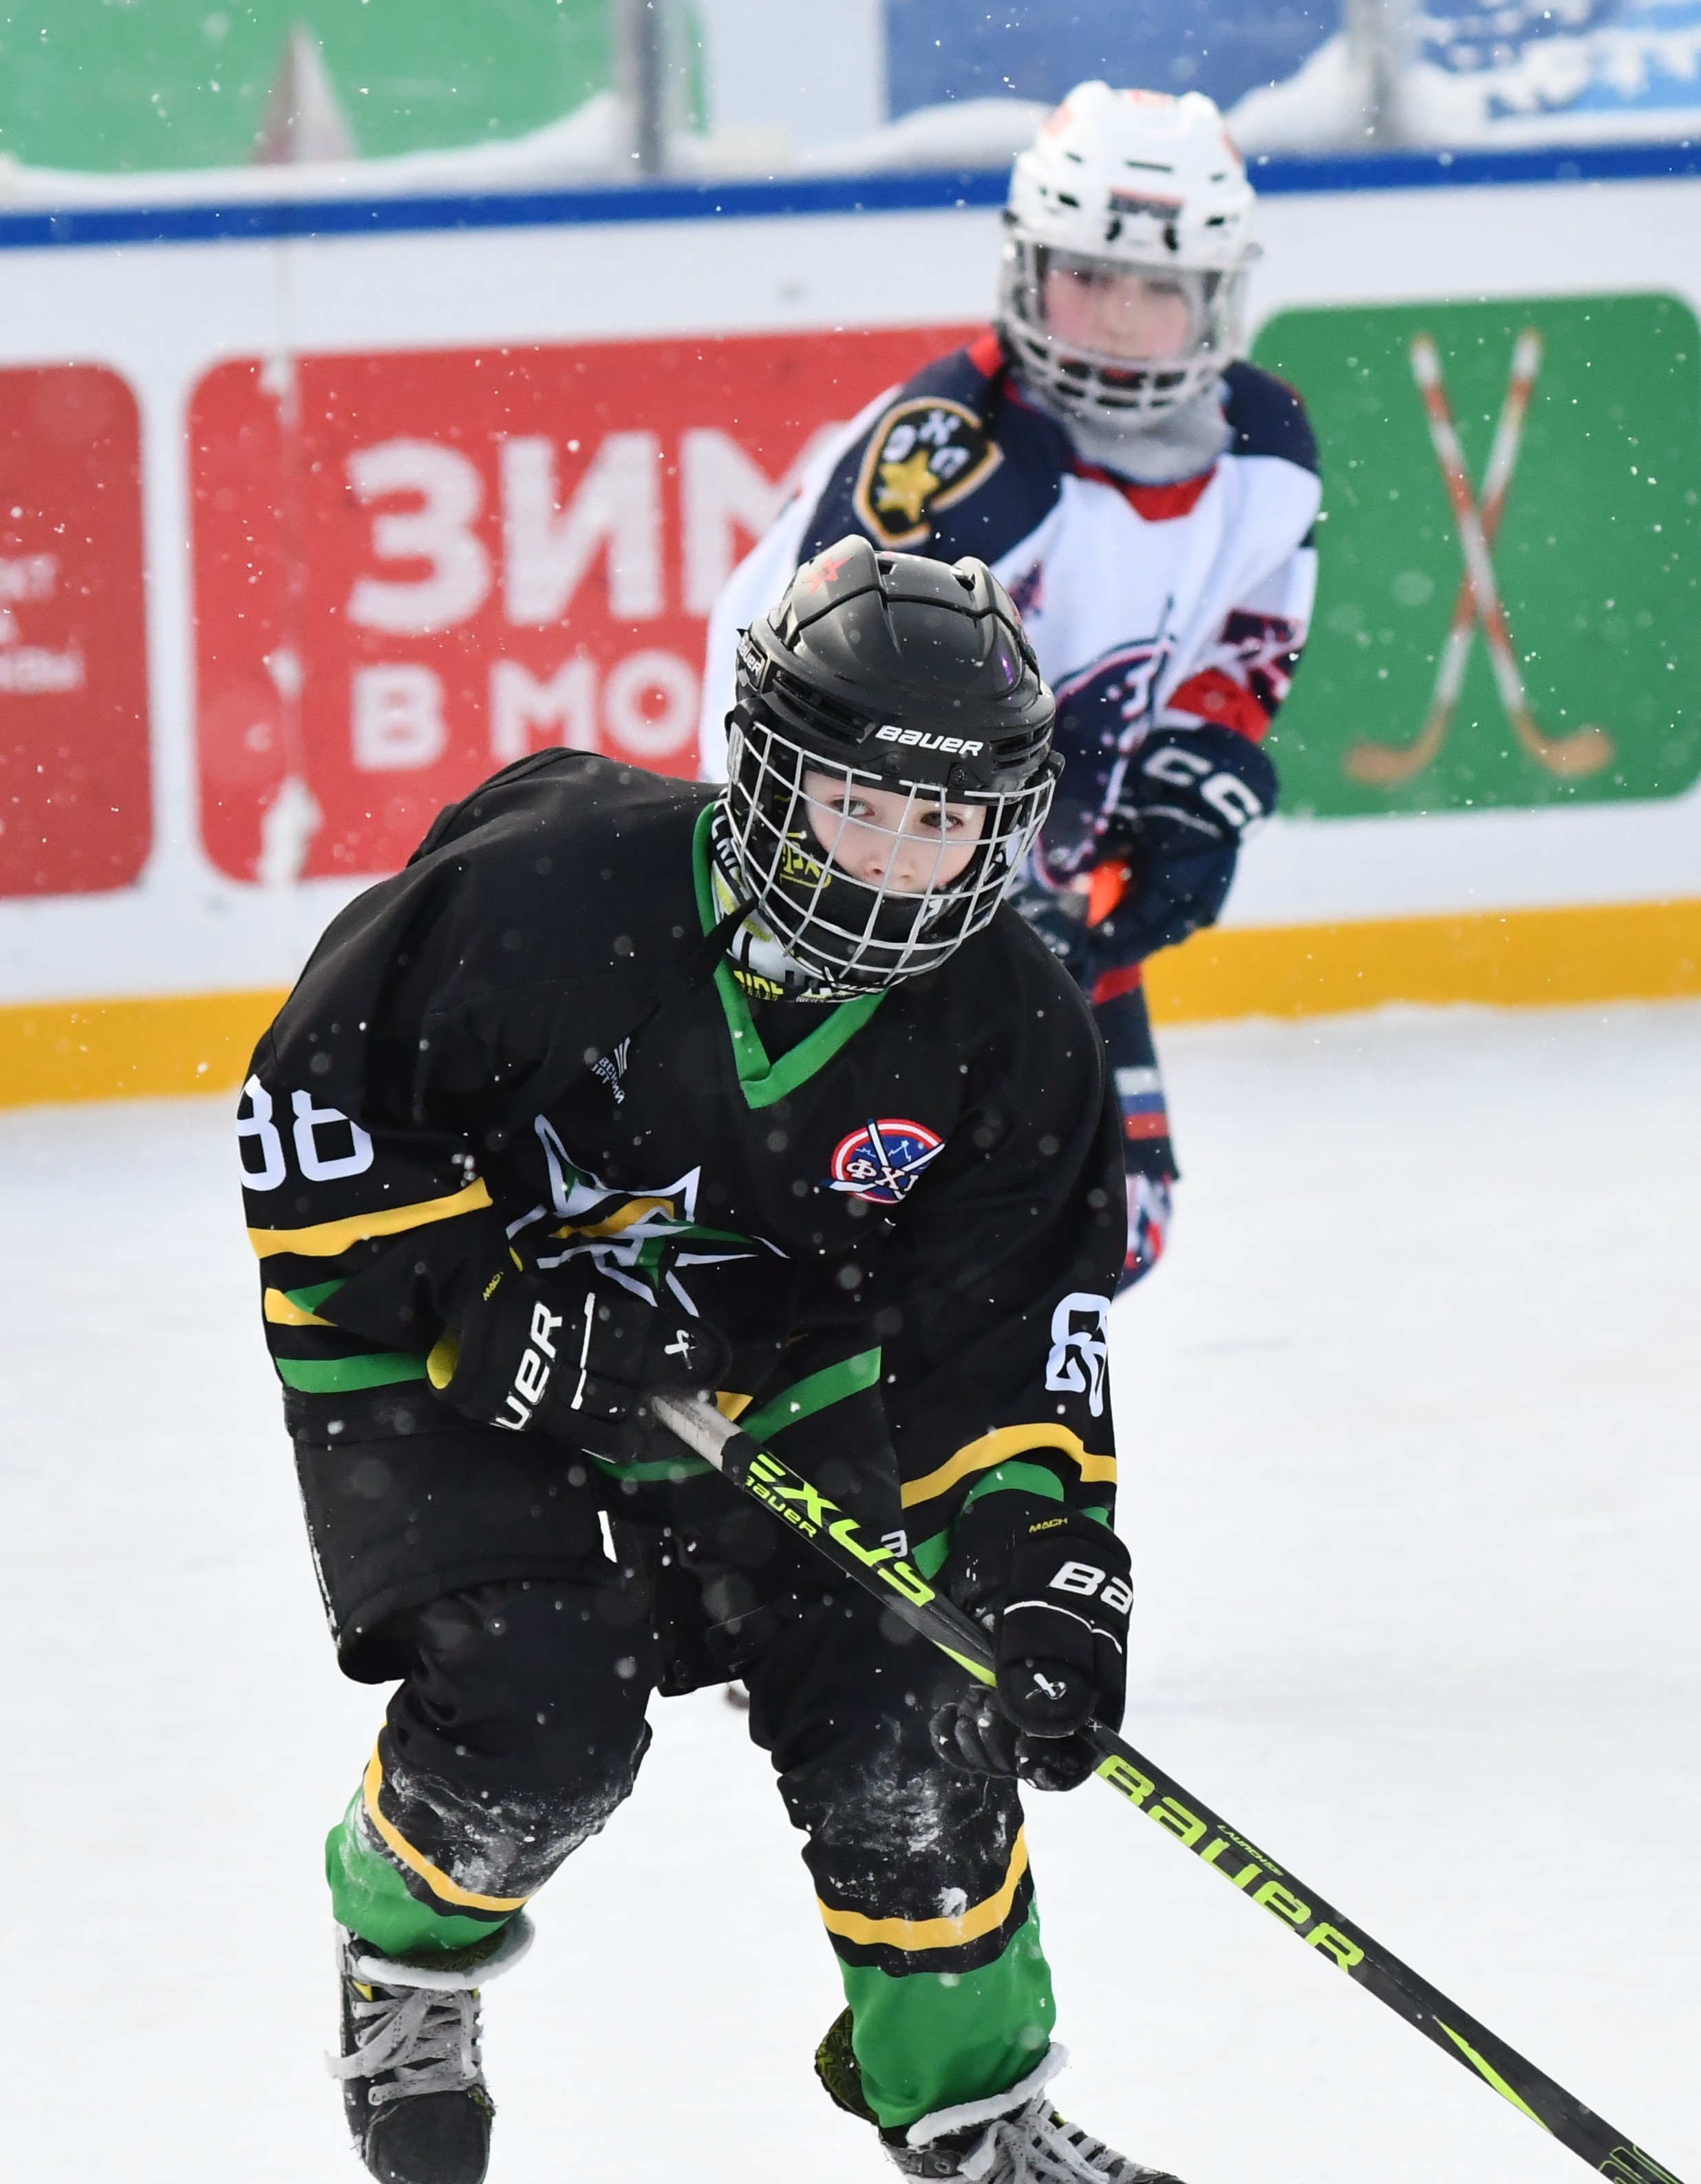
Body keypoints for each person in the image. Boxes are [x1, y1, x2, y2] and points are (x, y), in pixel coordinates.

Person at [240, 538, 1179, 2184]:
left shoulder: (1014, 1024)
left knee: (920, 1706)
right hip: (448, 1347)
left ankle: (972, 2110)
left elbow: (1005, 1339)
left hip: (772, 1371)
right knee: (545, 1708)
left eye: (943, 821)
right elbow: (309, 1115)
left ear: (1000, 826)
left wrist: (1040, 1564)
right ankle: (401, 1962)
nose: (896, 862)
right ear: (768, 767)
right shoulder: (548, 887)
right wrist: (482, 1298)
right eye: (858, 805)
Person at [698, 82, 1322, 1295]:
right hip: (863, 912)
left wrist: (1201, 774)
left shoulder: (1266, 449)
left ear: (1217, 299)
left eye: (1157, 291)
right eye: (1087, 277)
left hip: (1041, 905)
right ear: (1026, 268)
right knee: (836, 1247)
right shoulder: (953, 461)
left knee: (1109, 1226)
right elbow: (799, 708)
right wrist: (927, 898)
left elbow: (1244, 639)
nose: (1115, 320)